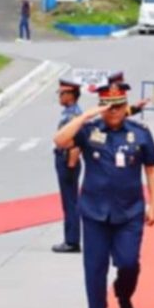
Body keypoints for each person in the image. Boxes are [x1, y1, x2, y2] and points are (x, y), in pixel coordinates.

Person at [53, 77, 154, 308]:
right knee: (95, 269)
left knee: (129, 264)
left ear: (126, 106)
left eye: (118, 106)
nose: (113, 111)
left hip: (129, 212)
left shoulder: (140, 132)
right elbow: (60, 140)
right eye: (107, 106)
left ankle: (124, 296)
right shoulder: (90, 129)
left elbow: (152, 168)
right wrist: (88, 115)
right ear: (101, 106)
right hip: (94, 212)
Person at [52, 77, 83, 254]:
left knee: (70, 201)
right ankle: (70, 238)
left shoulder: (74, 115)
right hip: (63, 156)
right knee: (68, 200)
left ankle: (72, 241)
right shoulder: (69, 112)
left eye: (62, 93)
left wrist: (71, 163)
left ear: (71, 95)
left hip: (67, 159)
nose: (59, 96)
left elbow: (76, 142)